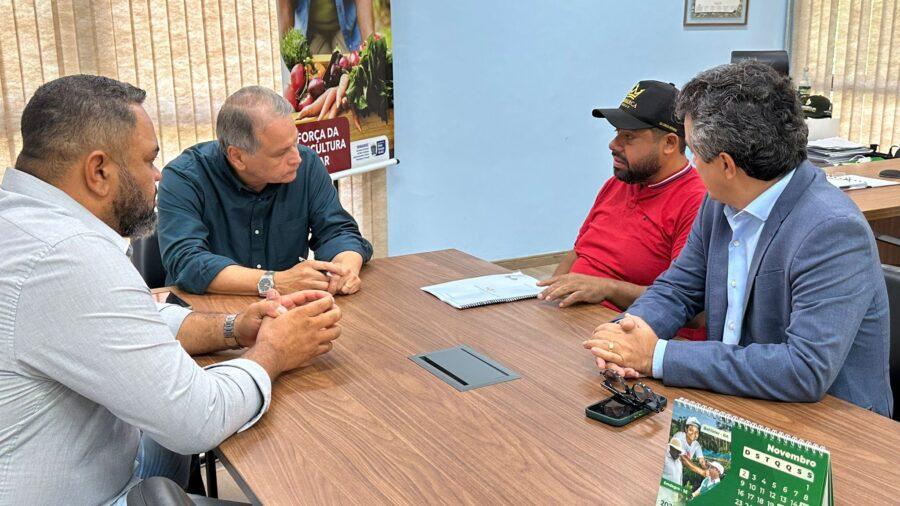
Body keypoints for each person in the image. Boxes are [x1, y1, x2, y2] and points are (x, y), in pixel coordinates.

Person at [0, 74, 342, 504]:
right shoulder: (66, 257)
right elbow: (198, 419)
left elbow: (134, 318)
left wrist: (237, 327)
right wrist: (274, 349)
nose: (157, 175)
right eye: (147, 161)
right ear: (99, 171)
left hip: (107, 460)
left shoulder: (23, 224)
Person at [583, 60, 893, 417]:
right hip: (732, 399)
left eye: (696, 154)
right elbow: (678, 289)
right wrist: (628, 333)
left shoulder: (832, 230)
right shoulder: (720, 202)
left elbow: (804, 369)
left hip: (832, 428)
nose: (692, 165)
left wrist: (656, 356)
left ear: (727, 166)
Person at [157, 86, 373, 297]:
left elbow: (338, 232)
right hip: (207, 314)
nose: (296, 158)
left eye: (295, 143)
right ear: (238, 157)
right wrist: (274, 282)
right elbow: (187, 262)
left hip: (287, 310)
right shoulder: (184, 177)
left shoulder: (306, 164)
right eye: (280, 153)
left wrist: (345, 269)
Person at [537, 80, 706, 340]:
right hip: (575, 322)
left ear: (670, 143)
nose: (613, 145)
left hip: (633, 337)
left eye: (628, 137)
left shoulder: (696, 202)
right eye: (617, 133)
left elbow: (690, 307)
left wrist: (607, 288)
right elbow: (579, 252)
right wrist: (543, 301)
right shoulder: (619, 184)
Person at [277, 0, 375, 53]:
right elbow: (286, 7)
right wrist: (289, 54)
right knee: (316, 76)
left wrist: (370, 45)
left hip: (345, 29)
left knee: (347, 71)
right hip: (311, 32)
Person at [661, 417, 706, 486]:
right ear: (686, 429)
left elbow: (701, 460)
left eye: (697, 432)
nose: (694, 433)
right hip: (668, 464)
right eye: (691, 430)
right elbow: (683, 458)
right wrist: (702, 472)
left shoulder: (697, 445)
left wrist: (707, 468)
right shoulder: (679, 436)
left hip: (678, 468)